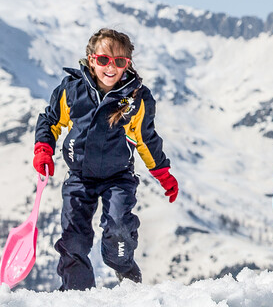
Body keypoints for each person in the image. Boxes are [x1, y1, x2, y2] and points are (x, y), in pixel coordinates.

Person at [32, 28, 179, 290]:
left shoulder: (136, 98)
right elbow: (51, 120)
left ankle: (126, 274)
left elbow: (146, 138)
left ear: (127, 64)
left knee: (118, 230)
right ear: (91, 60)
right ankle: (77, 296)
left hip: (118, 178)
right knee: (73, 240)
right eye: (103, 60)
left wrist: (162, 173)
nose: (111, 67)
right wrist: (43, 148)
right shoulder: (73, 90)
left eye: (119, 61)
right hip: (80, 177)